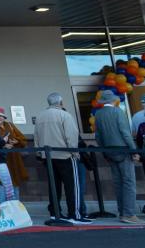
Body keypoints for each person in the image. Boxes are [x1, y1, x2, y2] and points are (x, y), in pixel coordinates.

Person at [33, 92, 91, 224]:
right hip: (65, 155)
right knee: (72, 186)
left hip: (48, 157)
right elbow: (71, 137)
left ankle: (54, 212)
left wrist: (39, 154)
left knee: (54, 186)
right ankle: (74, 215)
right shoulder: (65, 115)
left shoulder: (40, 116)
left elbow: (36, 137)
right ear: (60, 102)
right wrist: (75, 153)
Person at [93, 90, 140, 224]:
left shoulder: (98, 114)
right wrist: (134, 150)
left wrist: (104, 151)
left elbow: (98, 136)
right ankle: (129, 214)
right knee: (129, 183)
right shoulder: (118, 112)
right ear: (113, 100)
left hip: (109, 151)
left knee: (118, 183)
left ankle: (122, 212)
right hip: (123, 150)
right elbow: (125, 133)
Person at [0, 107, 28, 202]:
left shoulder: (10, 125)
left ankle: (15, 207)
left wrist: (16, 141)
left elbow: (22, 138)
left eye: (0, 116)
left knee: (14, 182)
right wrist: (3, 145)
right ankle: (2, 209)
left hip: (13, 160)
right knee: (1, 184)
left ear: (4, 118)